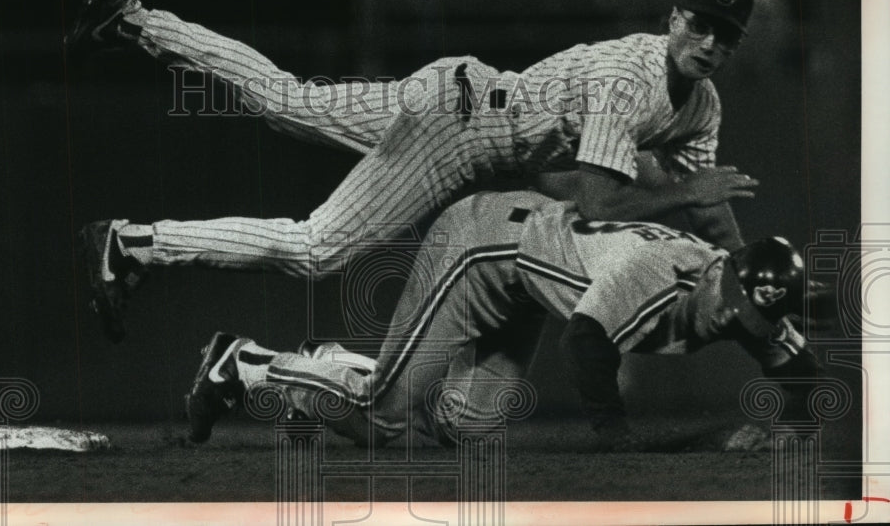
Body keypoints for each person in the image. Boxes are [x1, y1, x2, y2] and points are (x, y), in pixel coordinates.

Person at [68, 0, 760, 341]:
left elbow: (714, 203)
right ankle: (132, 245)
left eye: (724, 35)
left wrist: (750, 275)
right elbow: (600, 202)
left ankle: (131, 17)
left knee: (287, 100)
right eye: (699, 24)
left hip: (460, 95)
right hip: (456, 132)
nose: (708, 42)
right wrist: (685, 197)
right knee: (318, 248)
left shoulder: (701, 105)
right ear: (673, 18)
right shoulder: (628, 80)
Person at [181, 190, 823, 448]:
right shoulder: (654, 272)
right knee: (384, 419)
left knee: (465, 432)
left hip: (529, 277)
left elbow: (800, 369)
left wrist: (792, 429)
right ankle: (247, 364)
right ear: (724, 274)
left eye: (745, 316)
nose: (727, 318)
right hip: (484, 247)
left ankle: (330, 367)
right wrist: (618, 441)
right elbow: (587, 341)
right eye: (730, 300)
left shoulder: (748, 294)